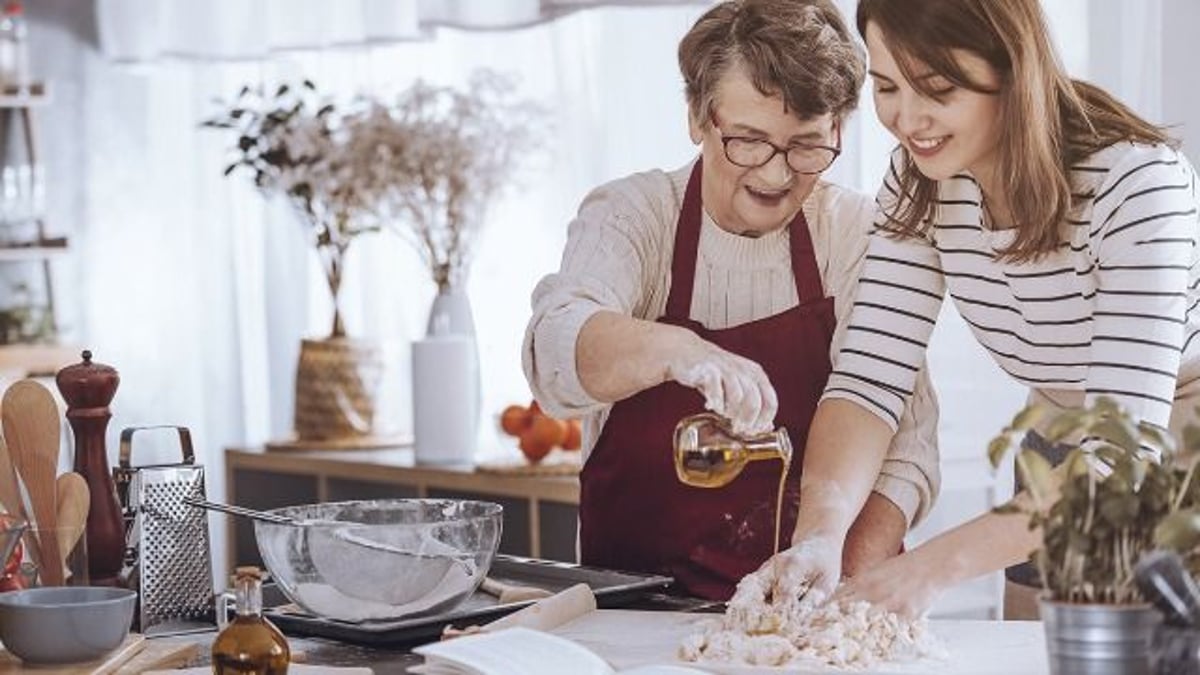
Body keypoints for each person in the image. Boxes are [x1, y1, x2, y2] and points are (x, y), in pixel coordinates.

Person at [761, 0, 1200, 618]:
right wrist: (821, 536)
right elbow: (869, 379)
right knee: (1030, 648)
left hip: (1174, 441)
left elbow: (1119, 457)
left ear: (1013, 72)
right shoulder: (919, 182)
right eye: (886, 86)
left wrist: (928, 568)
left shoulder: (1137, 182)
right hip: (1056, 425)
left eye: (937, 88)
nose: (907, 119)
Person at [521, 0, 939, 601]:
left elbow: (906, 445)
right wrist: (675, 350)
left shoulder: (855, 233)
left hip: (813, 620)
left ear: (839, 132)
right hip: (639, 620)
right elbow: (554, 355)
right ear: (697, 116)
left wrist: (839, 595)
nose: (775, 175)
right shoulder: (634, 216)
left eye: (806, 147)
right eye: (748, 140)